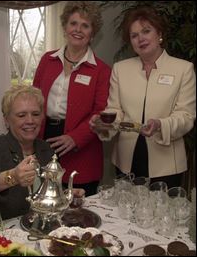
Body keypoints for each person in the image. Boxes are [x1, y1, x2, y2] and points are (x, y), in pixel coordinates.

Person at [89, 6, 196, 188]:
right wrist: (104, 123)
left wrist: (160, 125)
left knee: (161, 214)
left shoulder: (183, 69)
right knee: (125, 214)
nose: (141, 38)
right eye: (134, 35)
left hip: (167, 163)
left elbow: (186, 116)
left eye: (146, 31)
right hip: (126, 160)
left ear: (159, 33)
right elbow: (115, 110)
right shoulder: (120, 69)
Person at [33, 1, 111, 196]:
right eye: (73, 23)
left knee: (79, 214)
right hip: (45, 141)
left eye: (85, 25)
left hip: (82, 148)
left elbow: (100, 112)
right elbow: (33, 98)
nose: (78, 29)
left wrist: (75, 138)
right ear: (65, 27)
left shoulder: (101, 70)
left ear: (93, 33)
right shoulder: (47, 60)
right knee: (46, 205)